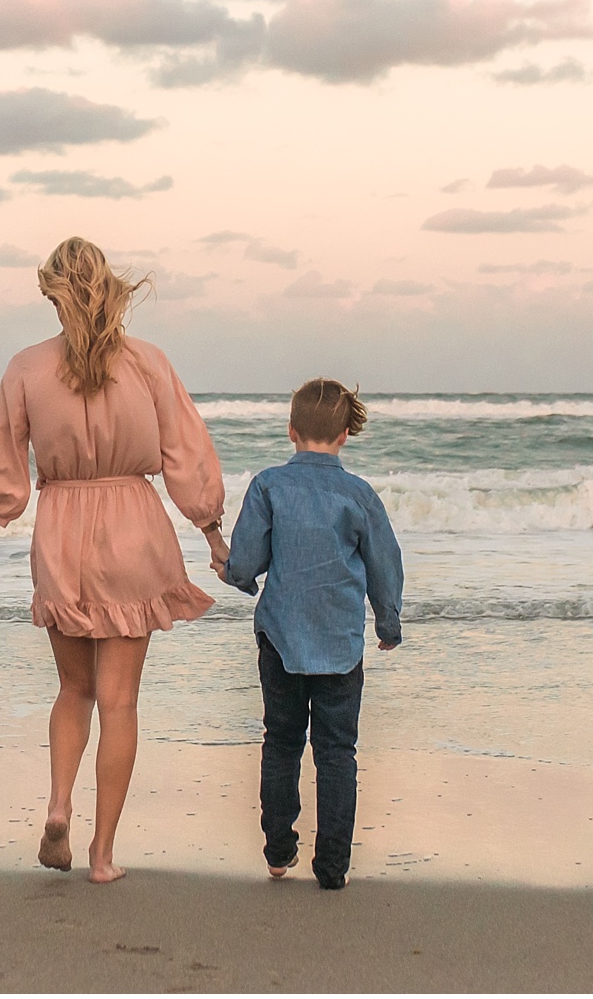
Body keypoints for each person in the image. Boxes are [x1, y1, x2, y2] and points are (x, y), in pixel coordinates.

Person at [0, 237, 228, 884]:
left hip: (61, 528)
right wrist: (212, 532)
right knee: (120, 702)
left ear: (53, 293)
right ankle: (103, 857)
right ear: (109, 287)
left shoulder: (25, 368)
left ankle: (57, 807)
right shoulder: (149, 364)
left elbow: (6, 476)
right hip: (133, 525)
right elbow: (187, 457)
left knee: (73, 690)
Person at [216, 378, 404, 890]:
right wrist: (388, 622)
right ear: (345, 435)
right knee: (337, 751)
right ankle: (333, 868)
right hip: (340, 643)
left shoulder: (269, 485)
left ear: (290, 430)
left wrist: (235, 572)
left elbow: (247, 561)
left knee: (280, 742)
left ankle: (278, 853)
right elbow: (385, 564)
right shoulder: (359, 494)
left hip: (280, 639)